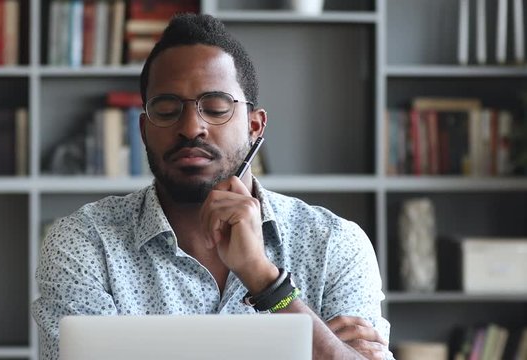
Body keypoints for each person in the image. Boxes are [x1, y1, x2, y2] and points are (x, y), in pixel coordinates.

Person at [33, 13, 392, 360]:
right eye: (167, 109)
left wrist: (266, 281)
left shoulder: (335, 244)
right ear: (143, 130)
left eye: (217, 107)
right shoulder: (85, 243)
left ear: (255, 126)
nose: (191, 127)